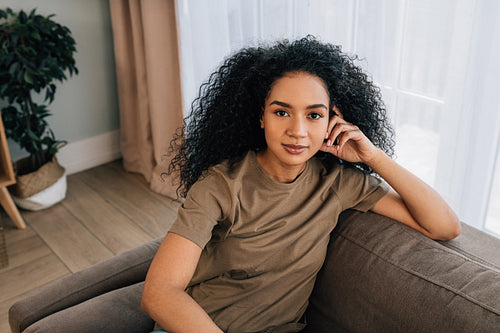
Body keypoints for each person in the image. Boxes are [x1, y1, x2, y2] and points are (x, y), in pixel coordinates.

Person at [141, 36, 460, 333]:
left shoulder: (338, 183)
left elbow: (444, 226)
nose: (298, 131)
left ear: (333, 122)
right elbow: (159, 294)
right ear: (261, 116)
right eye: (282, 112)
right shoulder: (220, 185)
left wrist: (373, 156)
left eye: (314, 115)